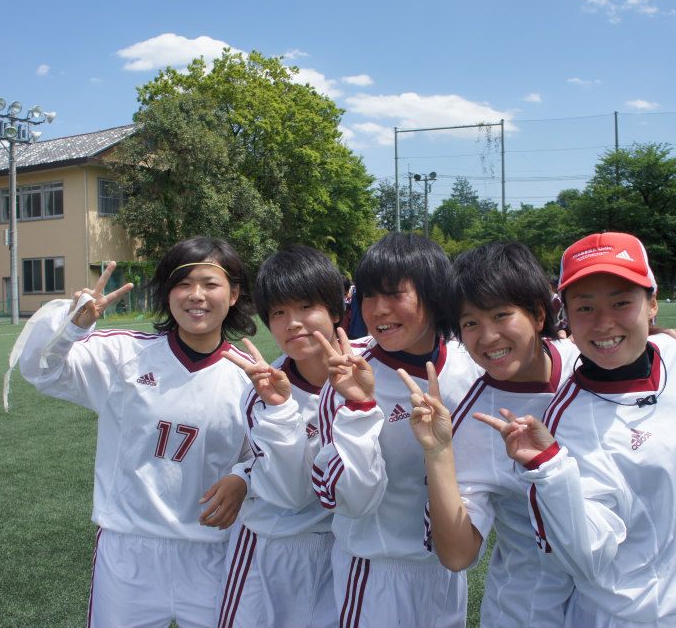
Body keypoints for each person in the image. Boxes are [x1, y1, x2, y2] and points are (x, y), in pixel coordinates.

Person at [477, 232, 676, 627]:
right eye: (585, 307)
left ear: (652, 303)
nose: (604, 323)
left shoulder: (674, 355)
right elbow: (587, 559)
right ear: (566, 316)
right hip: (633, 615)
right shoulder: (570, 423)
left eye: (621, 303)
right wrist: (550, 469)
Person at [16, 237, 257, 628]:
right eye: (183, 283)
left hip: (214, 552)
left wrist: (243, 478)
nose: (196, 295)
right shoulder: (123, 354)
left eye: (210, 284)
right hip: (128, 552)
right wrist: (72, 327)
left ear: (233, 294)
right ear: (167, 292)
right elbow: (40, 370)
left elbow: (265, 455)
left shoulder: (248, 377)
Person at [398, 241, 577, 628]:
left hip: (615, 604)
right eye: (471, 323)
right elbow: (457, 555)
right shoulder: (476, 418)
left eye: (500, 315)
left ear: (538, 314)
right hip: (528, 610)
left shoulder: (585, 366)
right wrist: (438, 452)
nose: (488, 336)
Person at [310, 232, 482, 628]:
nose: (378, 309)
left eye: (393, 294)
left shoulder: (469, 362)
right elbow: (342, 498)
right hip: (375, 572)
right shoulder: (348, 372)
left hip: (446, 569)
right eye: (369, 295)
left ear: (434, 294)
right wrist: (360, 406)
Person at [216, 245, 346, 628]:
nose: (293, 323)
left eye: (306, 306)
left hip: (344, 545)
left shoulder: (370, 370)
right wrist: (281, 409)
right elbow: (292, 495)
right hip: (270, 545)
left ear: (335, 309)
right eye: (278, 313)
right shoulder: (262, 393)